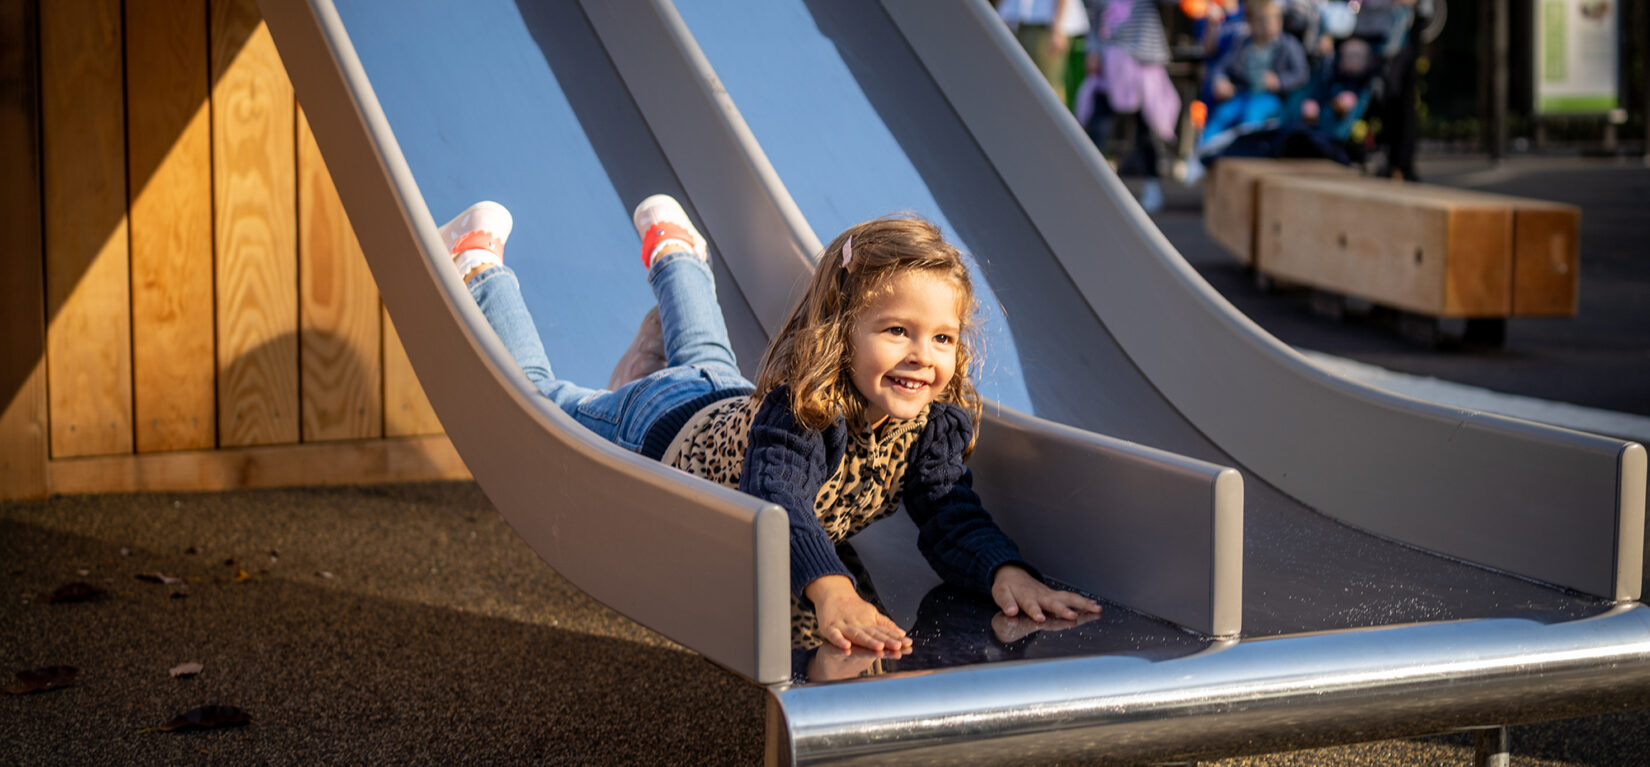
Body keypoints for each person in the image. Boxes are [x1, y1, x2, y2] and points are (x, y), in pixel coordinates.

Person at [442, 196, 1101, 656]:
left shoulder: (933, 424)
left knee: (708, 357)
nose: (920, 355)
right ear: (843, 334)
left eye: (941, 337)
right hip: (659, 429)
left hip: (723, 402)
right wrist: (832, 590)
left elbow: (950, 511)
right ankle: (478, 267)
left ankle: (677, 254)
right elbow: (778, 498)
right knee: (543, 397)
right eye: (897, 331)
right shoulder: (808, 410)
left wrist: (1002, 571)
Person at [1076, 0, 1181, 212]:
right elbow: (1095, 23)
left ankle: (1153, 183)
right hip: (1110, 66)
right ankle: (1093, 184)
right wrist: (1093, 51)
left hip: (1142, 66)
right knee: (1099, 127)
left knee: (1145, 129)